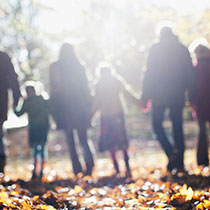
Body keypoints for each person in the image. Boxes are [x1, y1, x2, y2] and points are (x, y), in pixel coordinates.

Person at [141, 26, 195, 172]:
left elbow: (149, 73)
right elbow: (190, 74)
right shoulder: (182, 49)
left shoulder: (155, 49)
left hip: (158, 95)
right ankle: (179, 162)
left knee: (157, 125)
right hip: (177, 94)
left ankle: (171, 153)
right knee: (178, 127)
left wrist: (145, 96)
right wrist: (192, 96)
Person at [49, 43, 94, 176]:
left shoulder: (55, 67)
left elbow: (53, 89)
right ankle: (89, 165)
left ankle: (77, 169)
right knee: (84, 138)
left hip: (64, 107)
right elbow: (86, 89)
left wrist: (54, 110)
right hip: (79, 107)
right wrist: (89, 107)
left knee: (71, 140)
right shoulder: (79, 66)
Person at [92, 63, 139, 177]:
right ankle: (126, 167)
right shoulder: (115, 80)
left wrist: (91, 116)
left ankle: (117, 168)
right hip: (117, 114)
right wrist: (139, 102)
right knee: (121, 141)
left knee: (111, 143)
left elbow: (96, 102)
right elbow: (127, 93)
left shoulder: (100, 84)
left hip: (107, 116)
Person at [14, 83, 49, 180]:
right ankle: (41, 170)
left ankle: (35, 170)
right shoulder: (42, 99)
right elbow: (50, 109)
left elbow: (18, 113)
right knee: (42, 148)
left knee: (35, 148)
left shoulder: (27, 101)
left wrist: (15, 106)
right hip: (43, 126)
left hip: (34, 127)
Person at [0, 51, 21, 173]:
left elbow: (13, 77)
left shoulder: (3, 57)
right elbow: (13, 78)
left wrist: (17, 96)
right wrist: (16, 97)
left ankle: (1, 165)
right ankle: (1, 167)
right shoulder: (4, 56)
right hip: (2, 101)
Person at [192, 44, 210, 166]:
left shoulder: (194, 68)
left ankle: (202, 159)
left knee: (202, 131)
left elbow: (192, 87)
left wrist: (192, 102)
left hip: (200, 103)